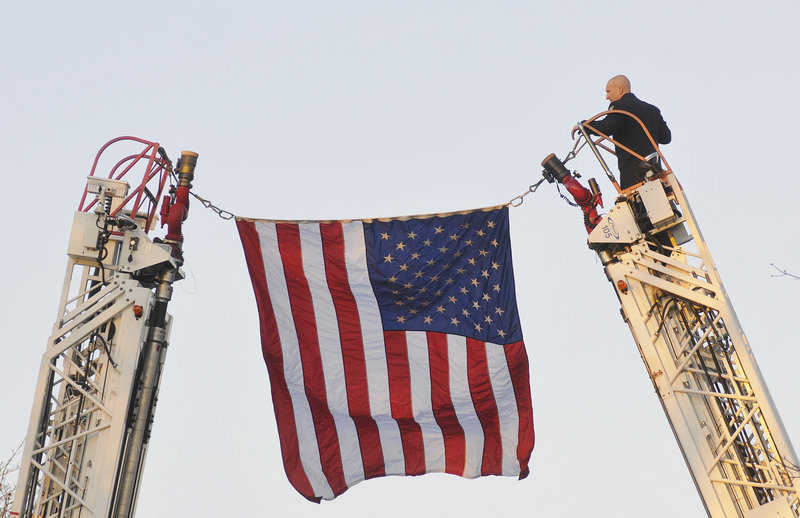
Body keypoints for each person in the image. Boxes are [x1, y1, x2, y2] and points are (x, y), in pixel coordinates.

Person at [585, 75, 671, 189]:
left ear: (620, 89)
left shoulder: (619, 106)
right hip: (656, 174)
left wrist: (585, 126)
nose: (607, 97)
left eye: (608, 91)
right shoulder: (652, 110)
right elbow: (666, 137)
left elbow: (607, 127)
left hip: (634, 178)